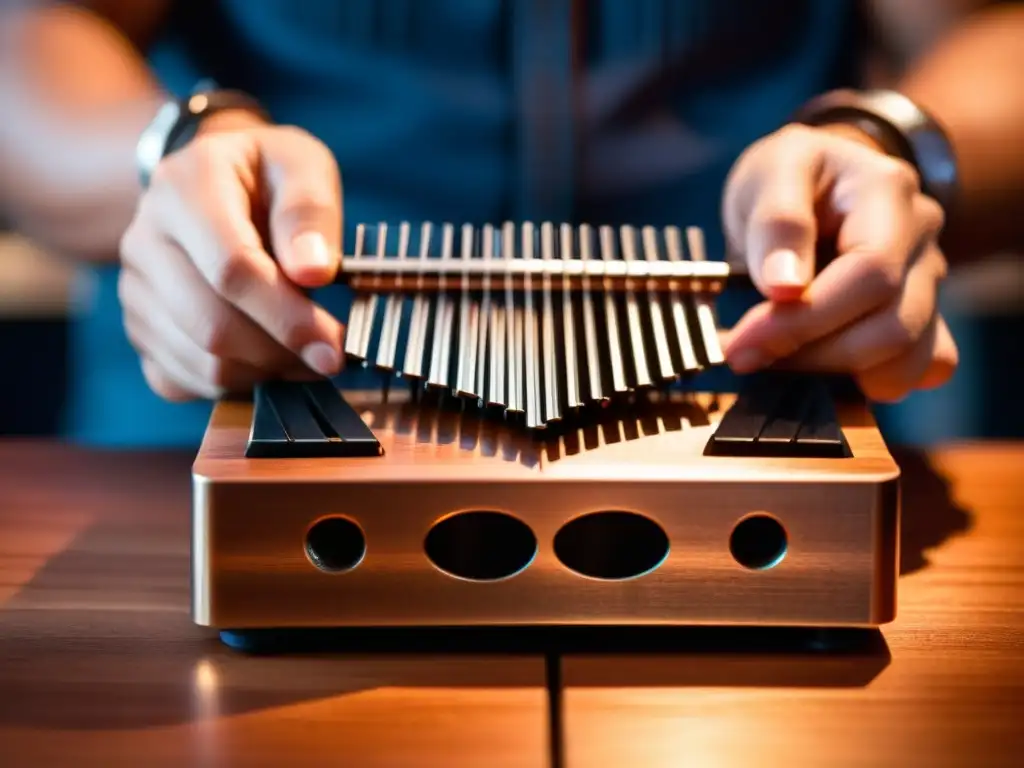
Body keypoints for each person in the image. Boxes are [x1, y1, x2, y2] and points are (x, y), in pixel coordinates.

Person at [1, 0, 1021, 448]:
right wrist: (172, 162)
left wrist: (889, 148)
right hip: (236, 405)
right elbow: (31, 36)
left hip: (766, 399)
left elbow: (986, 29)